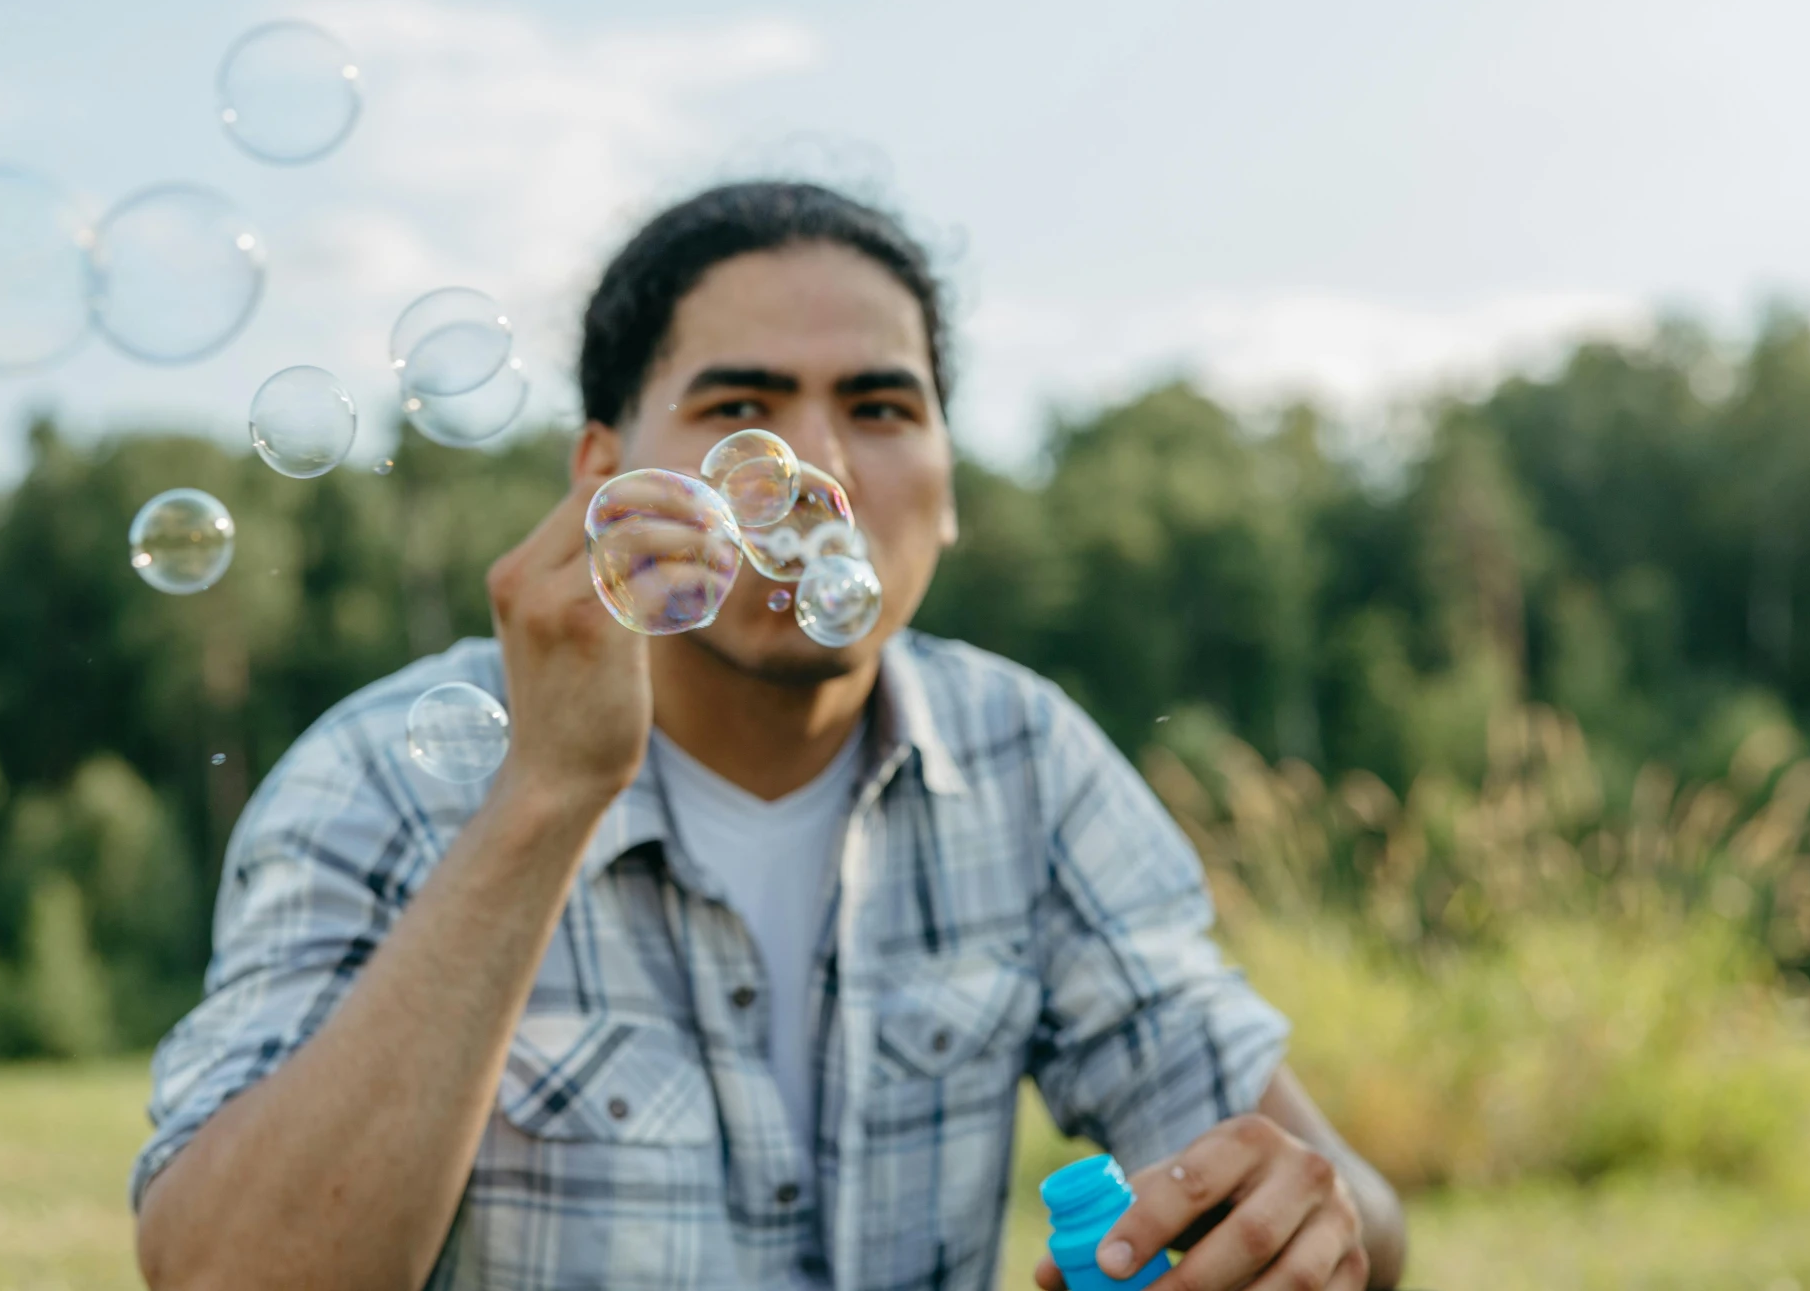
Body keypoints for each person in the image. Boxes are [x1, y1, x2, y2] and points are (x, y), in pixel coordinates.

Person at [131, 182, 1407, 1291]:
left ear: (951, 489)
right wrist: (544, 792)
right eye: (739, 404)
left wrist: (1317, 1224)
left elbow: (1345, 1209)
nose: (812, 469)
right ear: (600, 476)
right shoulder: (376, 775)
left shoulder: (1024, 757)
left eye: (881, 407)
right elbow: (232, 1275)